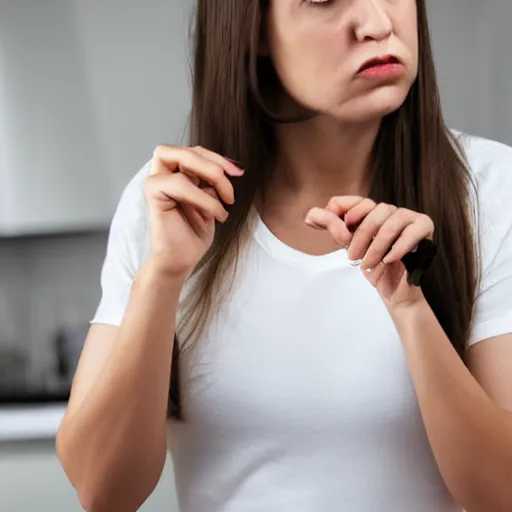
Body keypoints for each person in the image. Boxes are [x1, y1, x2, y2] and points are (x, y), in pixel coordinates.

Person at [56, 1, 512, 511]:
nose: (379, 24)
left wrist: (410, 307)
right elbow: (102, 491)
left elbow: (503, 493)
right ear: (253, 31)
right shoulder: (168, 203)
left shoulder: (491, 188)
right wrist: (161, 277)